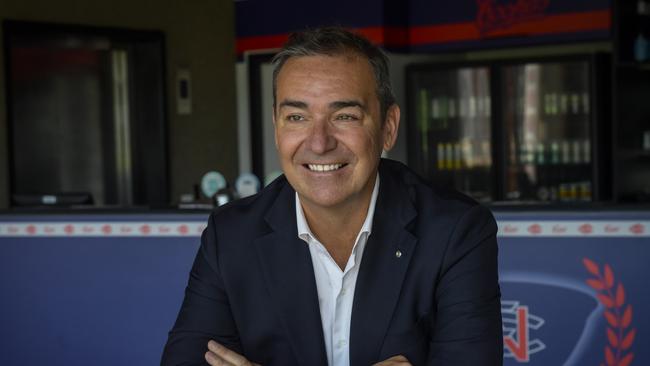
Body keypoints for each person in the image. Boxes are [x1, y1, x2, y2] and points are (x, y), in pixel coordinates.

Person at [161, 27, 502, 366]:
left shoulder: (455, 231)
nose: (319, 142)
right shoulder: (231, 235)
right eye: (297, 117)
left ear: (388, 127)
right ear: (277, 127)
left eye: (344, 116)